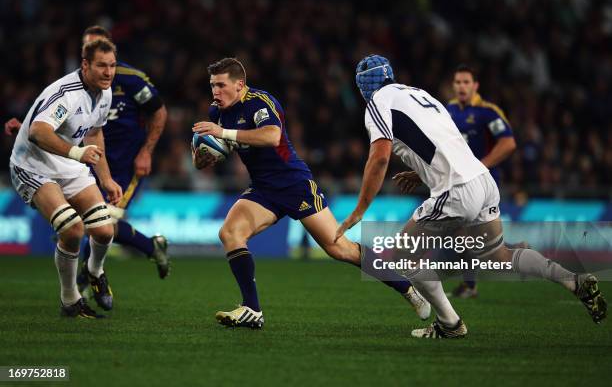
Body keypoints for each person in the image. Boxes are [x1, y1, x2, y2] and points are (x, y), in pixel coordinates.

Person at [336, 54, 606, 338]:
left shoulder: (377, 102)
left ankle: (450, 324)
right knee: (498, 255)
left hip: (456, 190)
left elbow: (379, 157)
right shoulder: (418, 94)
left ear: (363, 86)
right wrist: (421, 173)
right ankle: (572, 280)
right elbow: (446, 140)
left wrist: (360, 209)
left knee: (403, 257)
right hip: (482, 180)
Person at [192, 57, 430, 329]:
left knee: (340, 249)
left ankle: (406, 288)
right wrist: (203, 155)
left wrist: (224, 133)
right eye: (212, 86)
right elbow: (203, 160)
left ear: (240, 84)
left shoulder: (261, 102)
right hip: (263, 190)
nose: (215, 92)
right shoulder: (217, 112)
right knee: (230, 233)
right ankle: (252, 309)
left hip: (294, 185)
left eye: (221, 85)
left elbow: (271, 137)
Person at [4, 25, 170, 284]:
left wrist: (146, 152)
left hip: (122, 162)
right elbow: (57, 111)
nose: (106, 71)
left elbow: (158, 113)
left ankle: (92, 277)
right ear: (86, 59)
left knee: (104, 222)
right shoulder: (82, 81)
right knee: (83, 224)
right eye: (88, 50)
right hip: (83, 158)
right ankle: (94, 278)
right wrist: (26, 125)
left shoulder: (128, 80)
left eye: (110, 64)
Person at [9, 38, 121, 318]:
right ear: (85, 66)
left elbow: (95, 134)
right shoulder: (67, 92)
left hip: (69, 165)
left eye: (112, 66)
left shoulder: (105, 93)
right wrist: (75, 152)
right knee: (72, 229)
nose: (108, 72)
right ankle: (70, 299)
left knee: (105, 231)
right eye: (101, 66)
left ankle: (95, 271)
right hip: (33, 165)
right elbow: (38, 131)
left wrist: (105, 178)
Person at [444, 64, 517, 298]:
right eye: (458, 82)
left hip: (484, 184)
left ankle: (521, 256)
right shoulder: (449, 110)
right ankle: (470, 284)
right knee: (460, 235)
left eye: (466, 82)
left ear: (475, 86)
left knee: (483, 246)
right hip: (458, 183)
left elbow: (508, 143)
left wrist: (479, 165)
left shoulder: (488, 112)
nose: (461, 86)